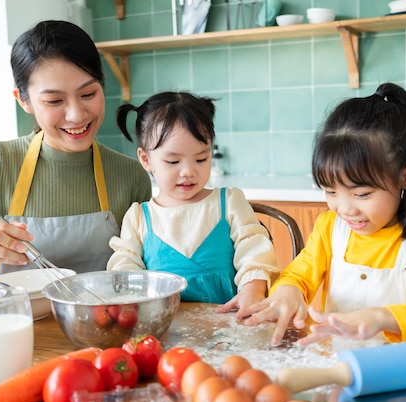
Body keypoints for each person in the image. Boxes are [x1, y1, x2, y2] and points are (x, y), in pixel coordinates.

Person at [236, 82, 406, 346]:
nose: (345, 209)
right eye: (331, 191)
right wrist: (288, 291)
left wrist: (384, 317)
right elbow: (298, 275)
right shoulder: (329, 227)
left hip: (405, 372)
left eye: (362, 194)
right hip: (338, 367)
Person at [0, 20, 152, 280]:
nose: (76, 114)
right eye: (54, 100)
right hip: (20, 320)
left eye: (88, 94)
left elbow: (149, 270)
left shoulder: (131, 175)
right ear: (24, 100)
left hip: (104, 320)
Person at [107, 91, 279, 309]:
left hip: (229, 323)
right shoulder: (139, 217)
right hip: (166, 328)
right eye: (172, 161)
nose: (188, 171)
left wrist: (253, 290)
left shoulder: (229, 202)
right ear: (146, 159)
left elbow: (253, 249)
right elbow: (125, 268)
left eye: (201, 159)